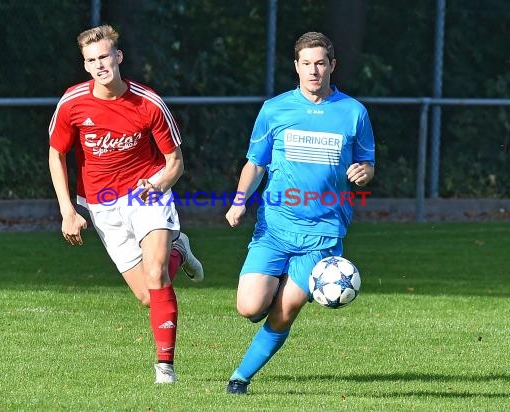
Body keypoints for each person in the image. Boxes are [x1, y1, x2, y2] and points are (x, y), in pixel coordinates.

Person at [48, 24, 204, 384]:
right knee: (149, 296)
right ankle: (180, 249)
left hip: (146, 192)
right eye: (91, 60)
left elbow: (175, 162)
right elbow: (56, 154)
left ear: (118, 57)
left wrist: (159, 183)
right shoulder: (72, 103)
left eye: (105, 56)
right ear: (85, 66)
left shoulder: (148, 103)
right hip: (101, 204)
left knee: (156, 274)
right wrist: (67, 211)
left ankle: (165, 368)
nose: (100, 64)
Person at [224, 31, 375, 394]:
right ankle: (279, 281)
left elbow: (367, 164)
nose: (313, 70)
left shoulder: (354, 113)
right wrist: (240, 199)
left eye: (320, 63)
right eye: (306, 64)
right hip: (274, 227)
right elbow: (255, 163)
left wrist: (363, 173)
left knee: (285, 310)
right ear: (296, 66)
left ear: (332, 66)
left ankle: (239, 379)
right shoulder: (274, 109)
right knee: (249, 307)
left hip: (322, 234)